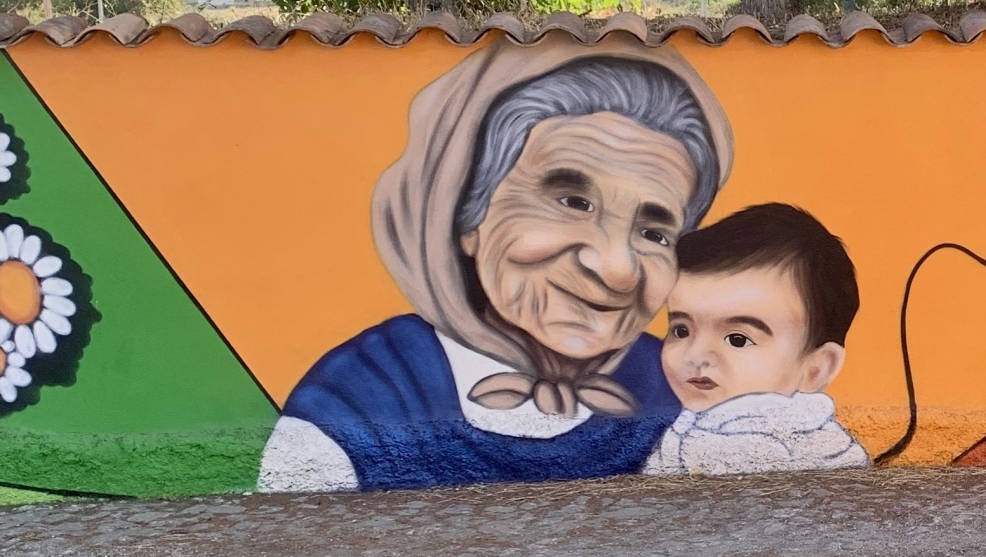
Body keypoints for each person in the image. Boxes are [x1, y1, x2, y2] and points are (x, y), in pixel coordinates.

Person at [258, 36, 729, 492]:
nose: (617, 269)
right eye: (572, 202)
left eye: (654, 233)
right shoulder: (359, 400)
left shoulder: (679, 387)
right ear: (467, 215)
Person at [646, 203, 869, 474]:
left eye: (738, 339)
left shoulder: (750, 442)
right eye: (682, 330)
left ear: (816, 369)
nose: (696, 354)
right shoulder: (698, 424)